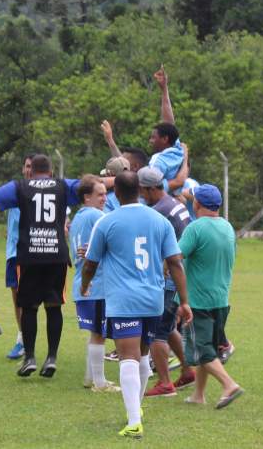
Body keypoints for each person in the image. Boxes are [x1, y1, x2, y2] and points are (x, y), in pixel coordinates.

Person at [0, 154, 92, 378]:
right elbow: (92, 185)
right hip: (56, 255)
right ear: (51, 170)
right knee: (54, 306)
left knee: (29, 308)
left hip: (30, 256)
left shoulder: (20, 187)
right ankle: (52, 357)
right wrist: (119, 177)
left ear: (31, 170)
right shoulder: (63, 185)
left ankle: (30, 357)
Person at [80, 171, 192, 439]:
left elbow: (90, 262)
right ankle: (136, 409)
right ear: (140, 191)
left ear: (115, 192)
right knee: (142, 355)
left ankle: (133, 421)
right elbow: (175, 262)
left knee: (128, 357)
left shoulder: (107, 222)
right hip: (153, 299)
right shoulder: (159, 220)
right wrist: (185, 301)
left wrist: (85, 285)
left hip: (123, 300)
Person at [178, 184, 245, 408]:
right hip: (221, 300)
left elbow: (176, 256)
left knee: (202, 348)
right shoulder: (227, 227)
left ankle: (229, 384)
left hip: (198, 301)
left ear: (196, 203)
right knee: (208, 346)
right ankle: (199, 394)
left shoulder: (195, 228)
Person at [137, 167, 196, 397]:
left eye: (143, 190)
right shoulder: (174, 203)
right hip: (182, 272)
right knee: (169, 326)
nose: (141, 195)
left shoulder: (159, 211)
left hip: (170, 276)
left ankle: (164, 383)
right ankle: (187, 369)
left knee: (156, 332)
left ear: (152, 188)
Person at [69, 175, 118, 392]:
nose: (104, 198)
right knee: (99, 333)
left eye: (105, 194)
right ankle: (99, 383)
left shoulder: (79, 217)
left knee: (95, 333)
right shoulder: (98, 216)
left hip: (83, 282)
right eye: (100, 194)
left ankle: (91, 378)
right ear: (86, 197)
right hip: (95, 284)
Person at [4, 154, 34, 360]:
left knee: (34, 302)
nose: (29, 170)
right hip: (14, 253)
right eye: (27, 166)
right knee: (18, 300)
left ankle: (28, 343)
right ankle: (22, 339)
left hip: (35, 252)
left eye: (33, 166)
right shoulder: (15, 190)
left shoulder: (50, 192)